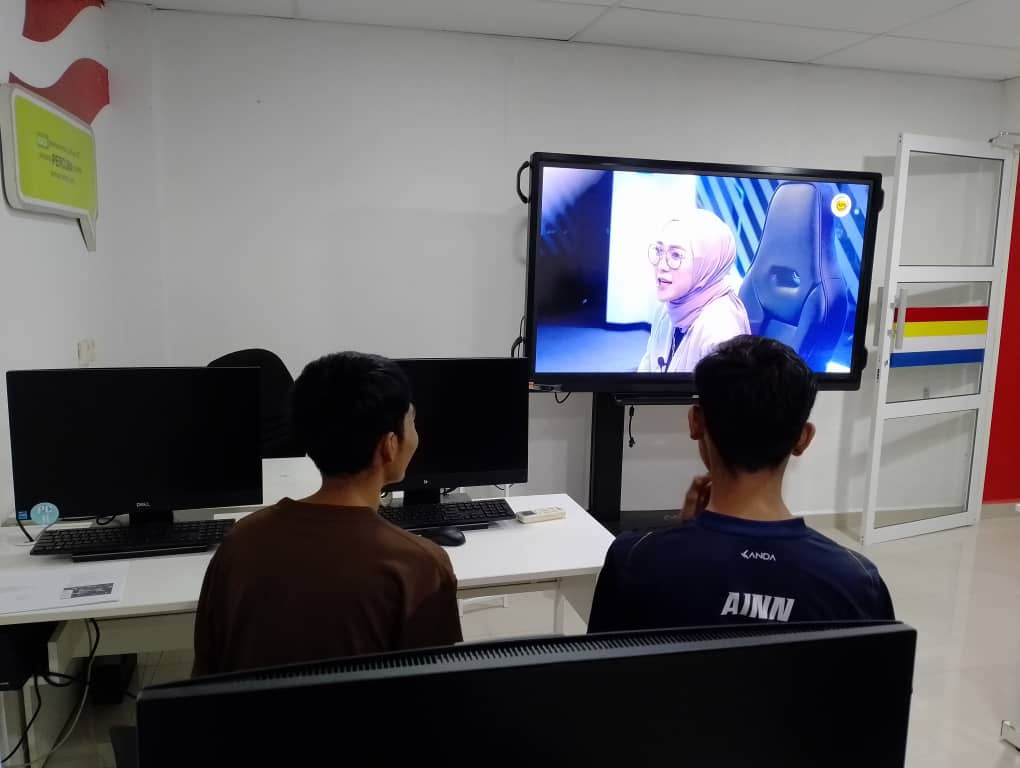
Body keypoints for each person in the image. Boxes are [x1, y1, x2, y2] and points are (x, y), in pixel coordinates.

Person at [590, 335, 894, 632]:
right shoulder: (859, 583)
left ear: (696, 422)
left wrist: (681, 538)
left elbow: (598, 664)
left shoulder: (634, 561)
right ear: (803, 438)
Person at [193, 352, 462, 676]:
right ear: (389, 446)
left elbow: (205, 672)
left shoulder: (240, 541)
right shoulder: (421, 565)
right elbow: (436, 692)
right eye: (412, 421)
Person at [637, 209, 750, 373]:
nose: (661, 265)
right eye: (659, 251)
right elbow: (646, 372)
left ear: (707, 264)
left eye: (676, 255)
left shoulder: (720, 330)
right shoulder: (667, 309)